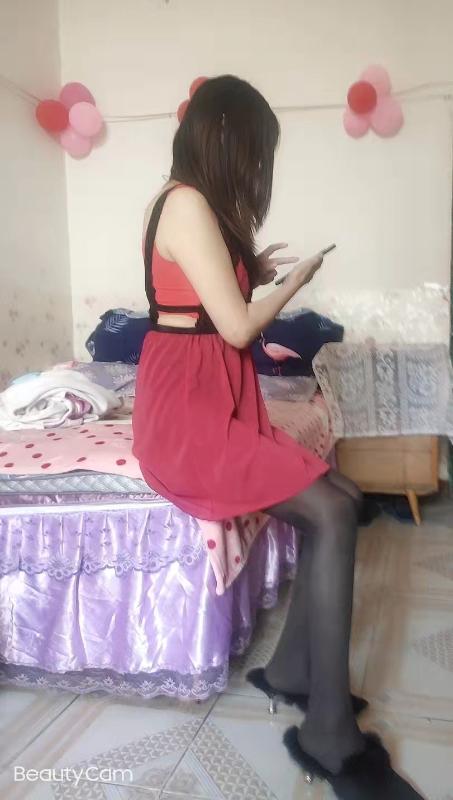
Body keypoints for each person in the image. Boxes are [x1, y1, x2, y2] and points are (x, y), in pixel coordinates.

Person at [132, 75, 423, 800]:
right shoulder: (186, 202)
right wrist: (294, 282)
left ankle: (292, 672)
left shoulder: (193, 204)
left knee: (344, 495)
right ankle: (326, 732)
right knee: (332, 509)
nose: (258, 167)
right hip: (187, 417)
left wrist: (253, 270)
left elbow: (208, 304)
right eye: (257, 150)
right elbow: (235, 327)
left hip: (210, 398)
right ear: (227, 137)